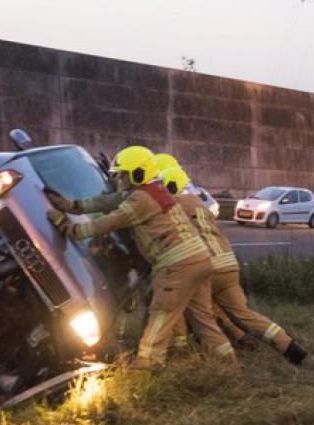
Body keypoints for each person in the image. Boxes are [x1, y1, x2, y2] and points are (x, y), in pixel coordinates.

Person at [44, 145, 236, 370]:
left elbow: (106, 222)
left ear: (137, 173)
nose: (119, 180)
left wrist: (69, 228)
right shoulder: (153, 191)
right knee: (204, 321)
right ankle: (229, 364)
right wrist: (71, 205)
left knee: (161, 314)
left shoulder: (139, 201)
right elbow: (110, 201)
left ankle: (147, 368)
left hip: (177, 266)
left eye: (122, 175)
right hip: (200, 261)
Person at [161, 165, 309, 365]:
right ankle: (288, 346)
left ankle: (212, 361)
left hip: (206, 268)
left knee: (197, 314)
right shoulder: (200, 204)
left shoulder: (172, 207)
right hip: (229, 265)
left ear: (168, 187)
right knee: (242, 313)